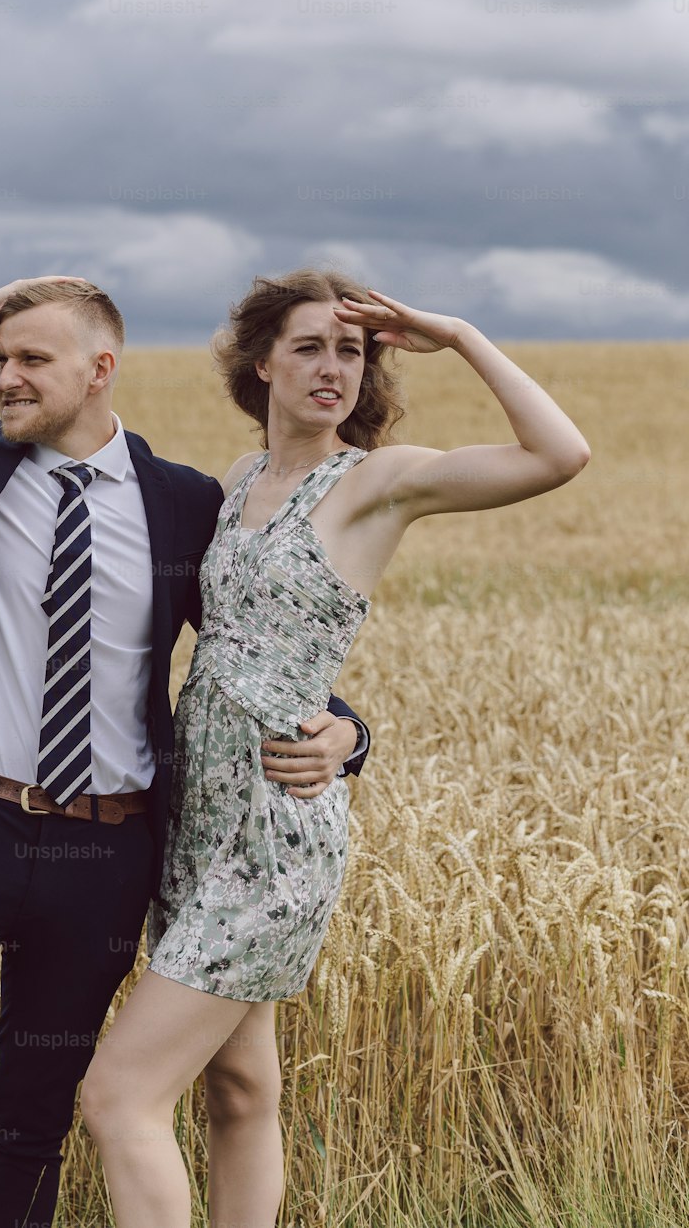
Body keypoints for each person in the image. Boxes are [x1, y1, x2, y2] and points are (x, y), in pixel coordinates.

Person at [0, 269, 371, 1228]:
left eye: (32, 360)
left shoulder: (182, 504)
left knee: (35, 1123)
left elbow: (251, 645)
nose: (7, 378)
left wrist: (350, 731)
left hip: (103, 854)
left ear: (101, 368)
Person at [79, 269, 591, 1228]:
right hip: (198, 822)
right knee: (240, 1095)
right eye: (309, 346)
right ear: (262, 362)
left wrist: (460, 332)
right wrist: (354, 729)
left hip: (275, 834)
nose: (331, 368)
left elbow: (560, 454)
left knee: (118, 1099)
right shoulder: (236, 483)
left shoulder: (374, 483)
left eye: (351, 351)